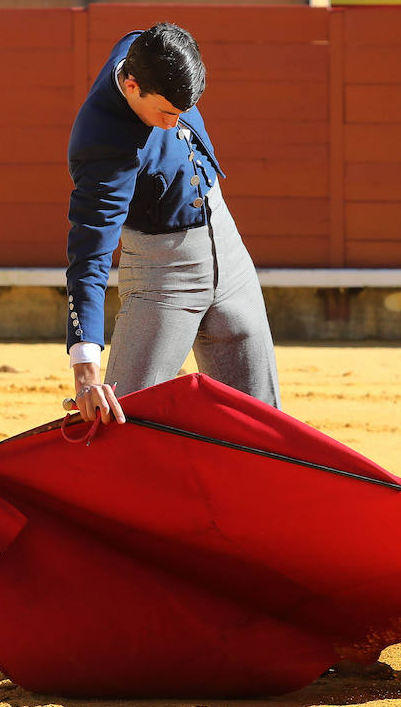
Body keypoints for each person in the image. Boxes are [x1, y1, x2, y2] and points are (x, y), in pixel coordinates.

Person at [65, 23, 281, 424]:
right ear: (131, 86)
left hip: (227, 245)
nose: (174, 123)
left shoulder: (146, 47)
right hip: (163, 275)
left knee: (263, 421)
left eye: (183, 112)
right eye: (166, 112)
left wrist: (170, 110)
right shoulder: (102, 145)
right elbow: (89, 256)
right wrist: (84, 362)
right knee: (122, 419)